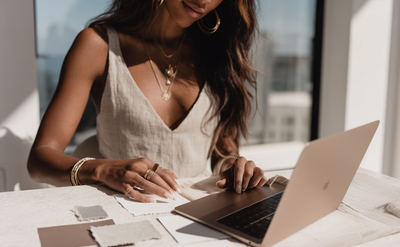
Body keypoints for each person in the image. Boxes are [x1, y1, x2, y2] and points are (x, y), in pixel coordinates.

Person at [28, 0, 267, 203]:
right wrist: (104, 169)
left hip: (197, 212)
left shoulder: (219, 54)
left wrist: (235, 168)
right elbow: (40, 159)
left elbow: (221, 152)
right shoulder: (98, 46)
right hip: (121, 212)